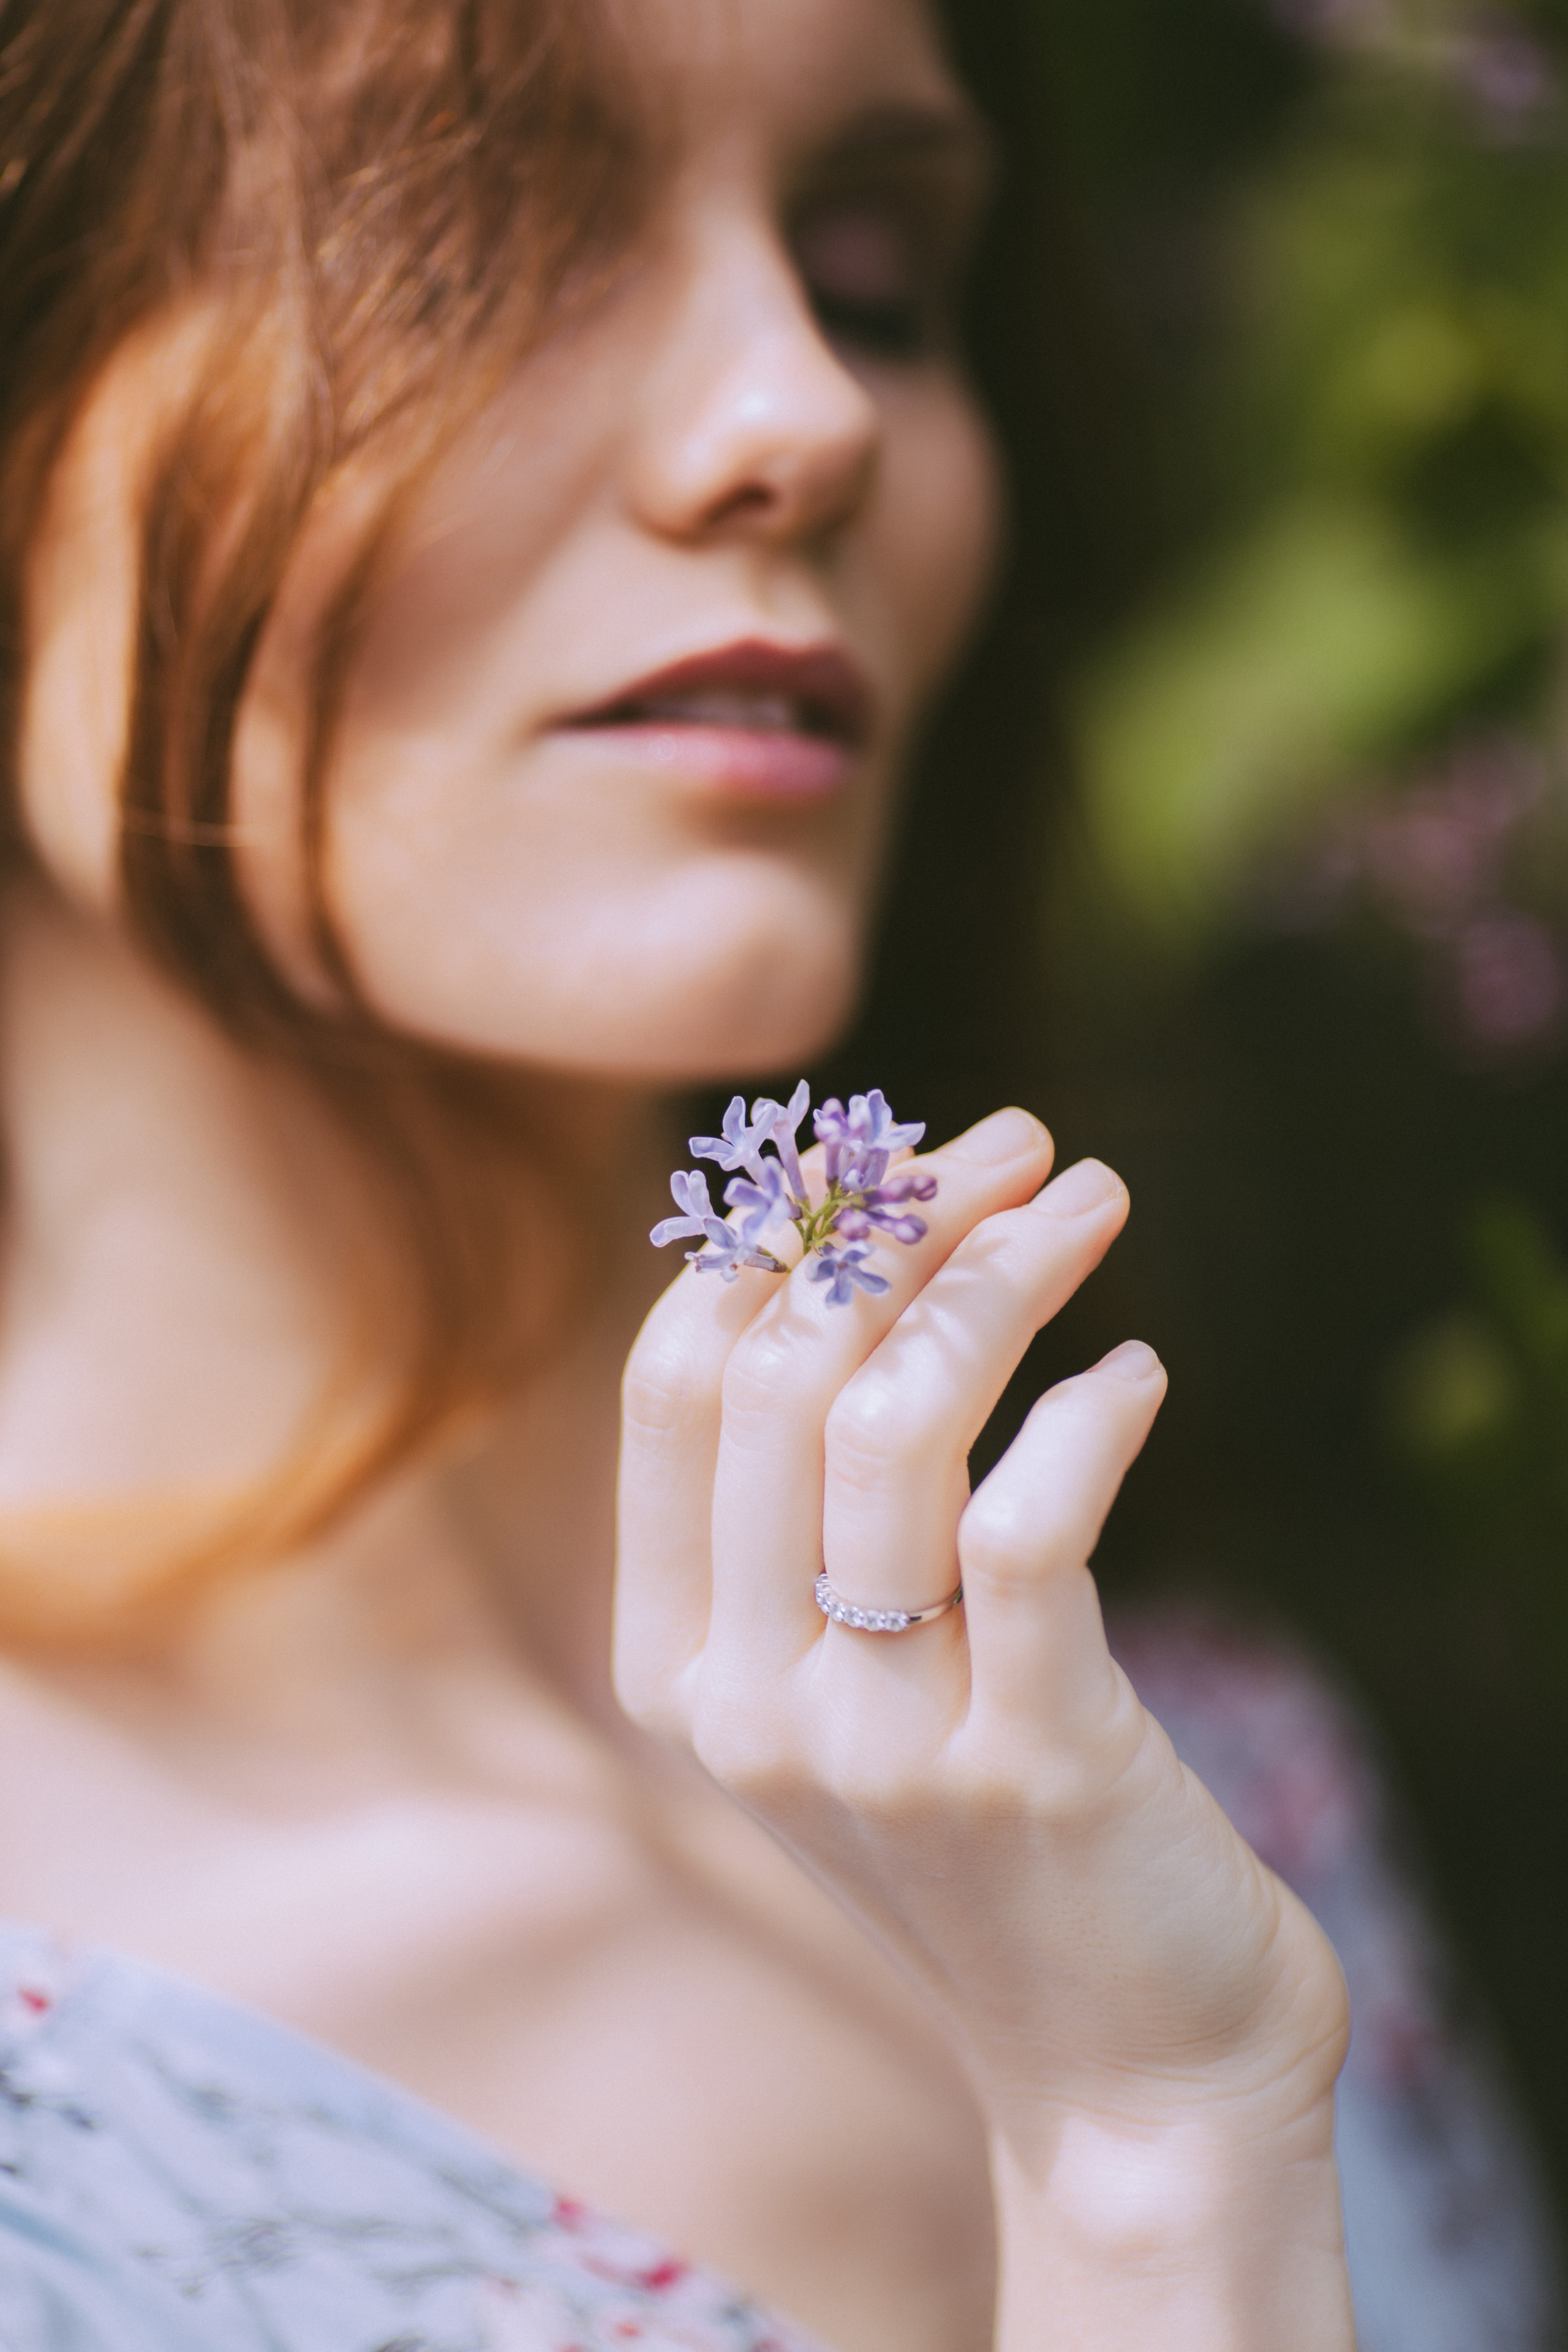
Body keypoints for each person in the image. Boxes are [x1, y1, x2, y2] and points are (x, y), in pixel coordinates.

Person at [0, 2, 1549, 2348]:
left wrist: (1180, 2115)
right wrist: (1151, 2160)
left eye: (875, 282)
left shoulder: (1193, 1767)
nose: (809, 410)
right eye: (469, 239)